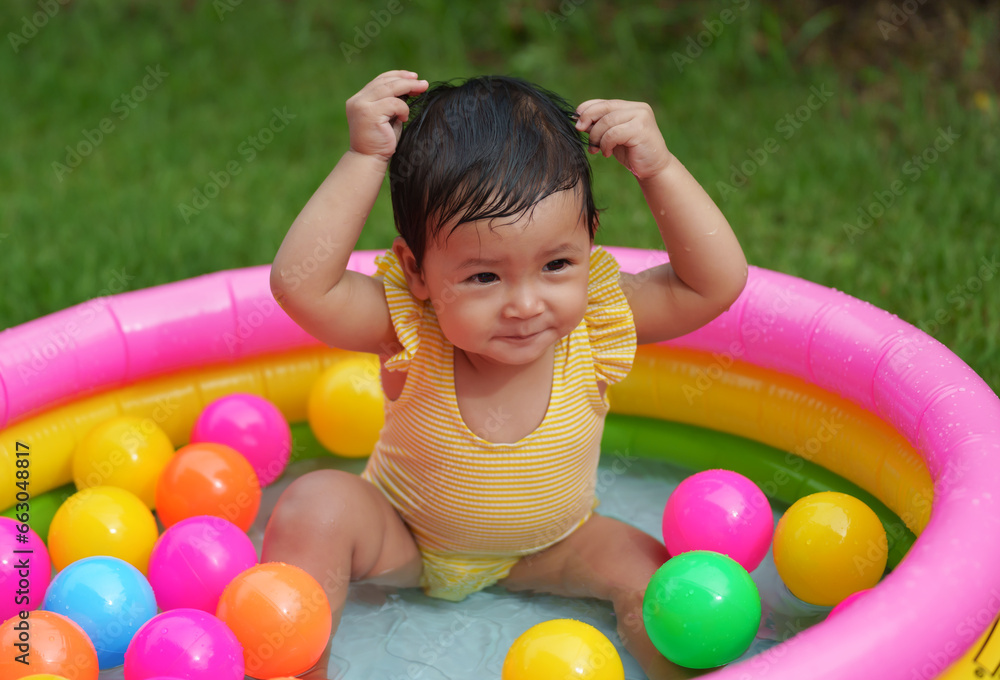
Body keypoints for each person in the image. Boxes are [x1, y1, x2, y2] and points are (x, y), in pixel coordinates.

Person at [265, 69, 747, 679]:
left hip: (553, 548)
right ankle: (297, 670)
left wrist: (660, 169)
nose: (525, 304)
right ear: (417, 272)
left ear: (590, 242)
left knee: (653, 578)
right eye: (484, 276)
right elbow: (299, 285)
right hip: (403, 540)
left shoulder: (595, 321)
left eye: (556, 264)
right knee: (315, 507)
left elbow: (716, 283)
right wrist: (365, 158)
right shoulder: (410, 324)